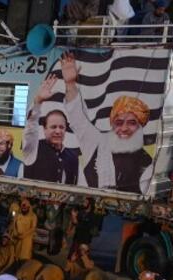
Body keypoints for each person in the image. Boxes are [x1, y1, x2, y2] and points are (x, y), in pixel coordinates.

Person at [59, 52, 152, 194]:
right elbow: (77, 117)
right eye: (119, 122)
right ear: (112, 124)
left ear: (141, 125)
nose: (124, 128)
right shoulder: (98, 143)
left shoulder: (147, 164)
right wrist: (70, 84)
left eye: (132, 122)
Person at [22, 74, 79, 184]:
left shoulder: (73, 157)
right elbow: (31, 128)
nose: (58, 131)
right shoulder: (33, 149)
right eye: (53, 127)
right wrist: (38, 101)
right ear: (44, 129)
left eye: (61, 127)